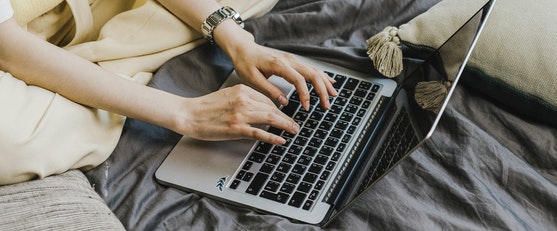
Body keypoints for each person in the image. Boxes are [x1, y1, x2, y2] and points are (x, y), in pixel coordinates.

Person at [0, 0, 337, 184]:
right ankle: (99, 76)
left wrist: (236, 39)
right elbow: (10, 51)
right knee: (9, 143)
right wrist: (185, 113)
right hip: (11, 44)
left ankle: (89, 82)